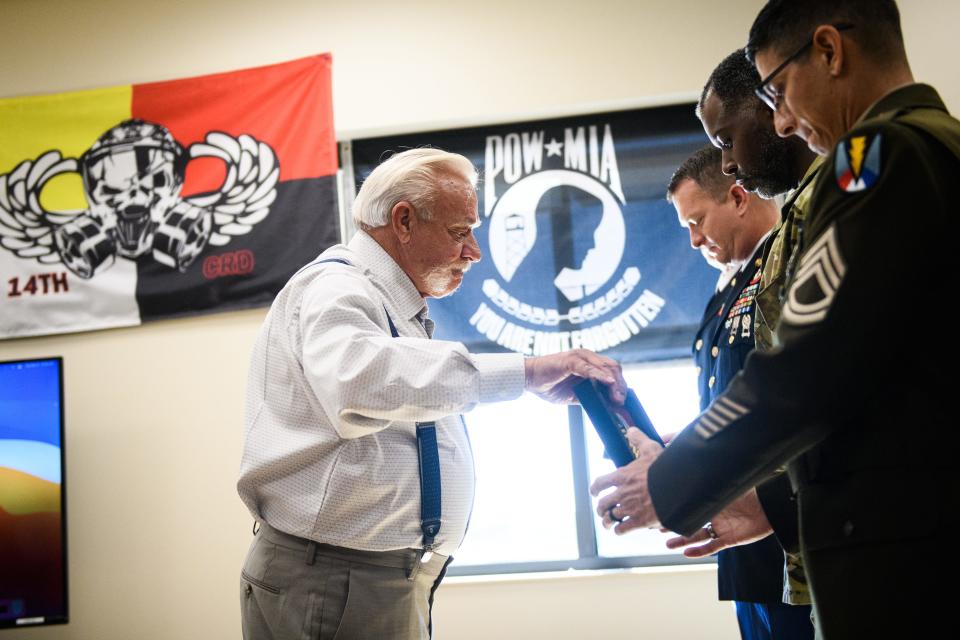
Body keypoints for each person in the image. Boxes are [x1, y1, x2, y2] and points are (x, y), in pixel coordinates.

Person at [590, 1, 958, 637]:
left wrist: (674, 482)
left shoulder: (873, 153)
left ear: (829, 51)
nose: (784, 121)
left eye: (779, 91)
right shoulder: (939, 144)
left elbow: (806, 367)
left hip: (902, 553)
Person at [238, 148, 626, 640]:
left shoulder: (385, 301)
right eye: (460, 232)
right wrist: (525, 372)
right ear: (403, 221)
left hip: (360, 575)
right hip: (337, 577)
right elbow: (361, 381)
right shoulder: (337, 287)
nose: (475, 253)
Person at [698, 48, 824, 631]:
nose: (727, 163)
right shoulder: (807, 208)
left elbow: (833, 386)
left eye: (726, 140)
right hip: (801, 534)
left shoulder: (857, 185)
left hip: (853, 525)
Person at [667, 146, 811, 640]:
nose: (693, 239)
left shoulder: (791, 266)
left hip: (792, 531)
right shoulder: (724, 292)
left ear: (737, 196)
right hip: (742, 542)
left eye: (698, 220)